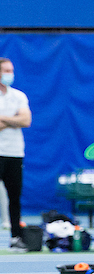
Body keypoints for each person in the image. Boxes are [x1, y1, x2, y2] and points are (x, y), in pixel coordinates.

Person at [0, 58, 32, 251]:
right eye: (6, 70)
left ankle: (16, 237)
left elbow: (26, 120)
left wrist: (3, 119)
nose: (10, 74)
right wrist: (14, 119)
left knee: (15, 197)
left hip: (14, 153)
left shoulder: (19, 96)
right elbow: (18, 119)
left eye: (11, 70)